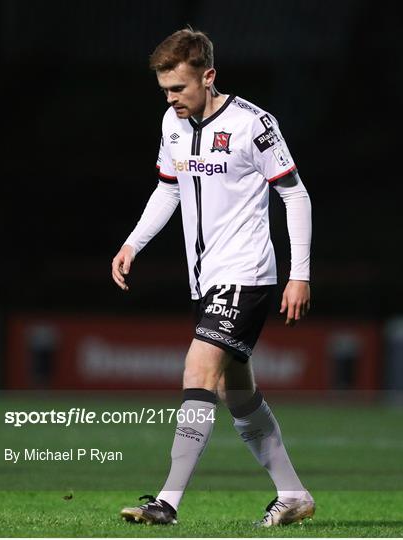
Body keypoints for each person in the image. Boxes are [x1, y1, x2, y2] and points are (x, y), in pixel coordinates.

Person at [112, 28, 314, 527]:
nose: (171, 99)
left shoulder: (254, 125)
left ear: (208, 76)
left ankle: (167, 501)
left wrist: (300, 274)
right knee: (237, 394)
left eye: (179, 88)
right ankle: (293, 495)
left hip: (246, 273)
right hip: (205, 280)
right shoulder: (172, 124)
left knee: (197, 372)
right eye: (165, 90)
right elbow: (168, 189)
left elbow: (295, 195)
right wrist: (133, 243)